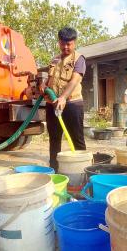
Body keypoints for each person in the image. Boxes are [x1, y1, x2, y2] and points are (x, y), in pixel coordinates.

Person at [44, 27, 86, 170]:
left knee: (77, 140)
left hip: (72, 104)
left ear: (74, 43)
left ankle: (82, 171)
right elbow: (49, 80)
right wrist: (43, 87)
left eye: (69, 44)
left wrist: (62, 97)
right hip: (52, 104)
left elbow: (74, 81)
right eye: (63, 43)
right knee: (54, 139)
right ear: (59, 43)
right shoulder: (54, 59)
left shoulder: (79, 59)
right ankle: (55, 170)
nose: (66, 47)